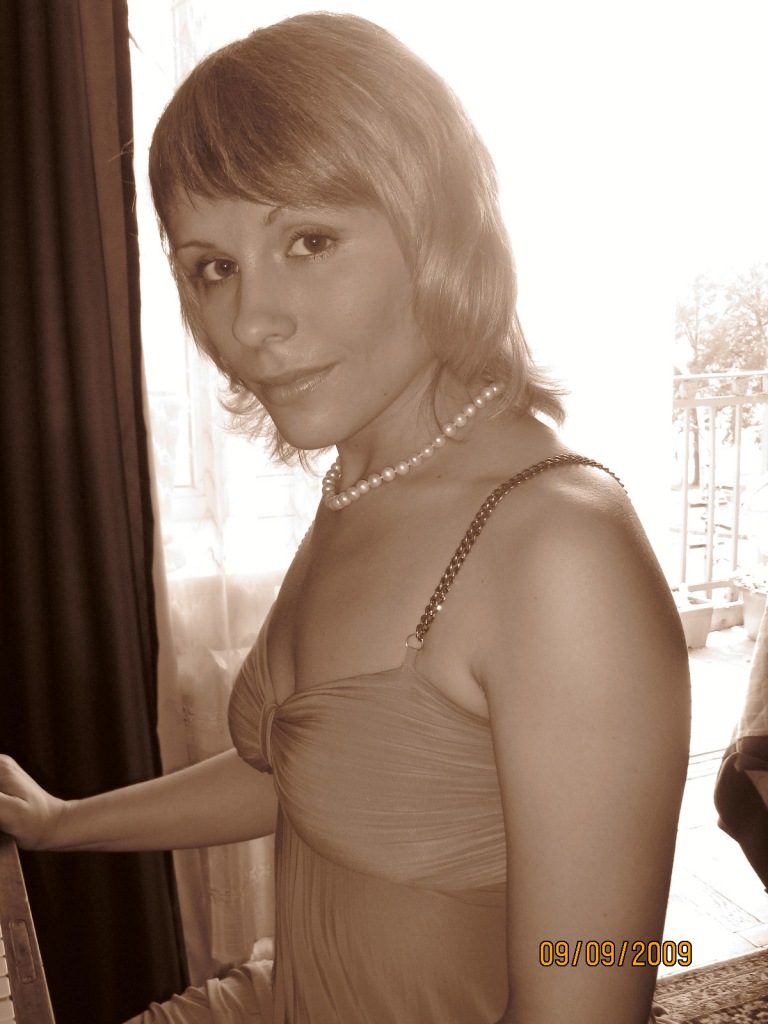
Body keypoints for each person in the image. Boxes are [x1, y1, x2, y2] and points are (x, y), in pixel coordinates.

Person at [0, 13, 690, 1024]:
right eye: (214, 266)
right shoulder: (365, 479)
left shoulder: (557, 550)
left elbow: (596, 980)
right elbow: (310, 770)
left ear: (435, 225)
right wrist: (60, 824)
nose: (250, 322)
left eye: (309, 241)